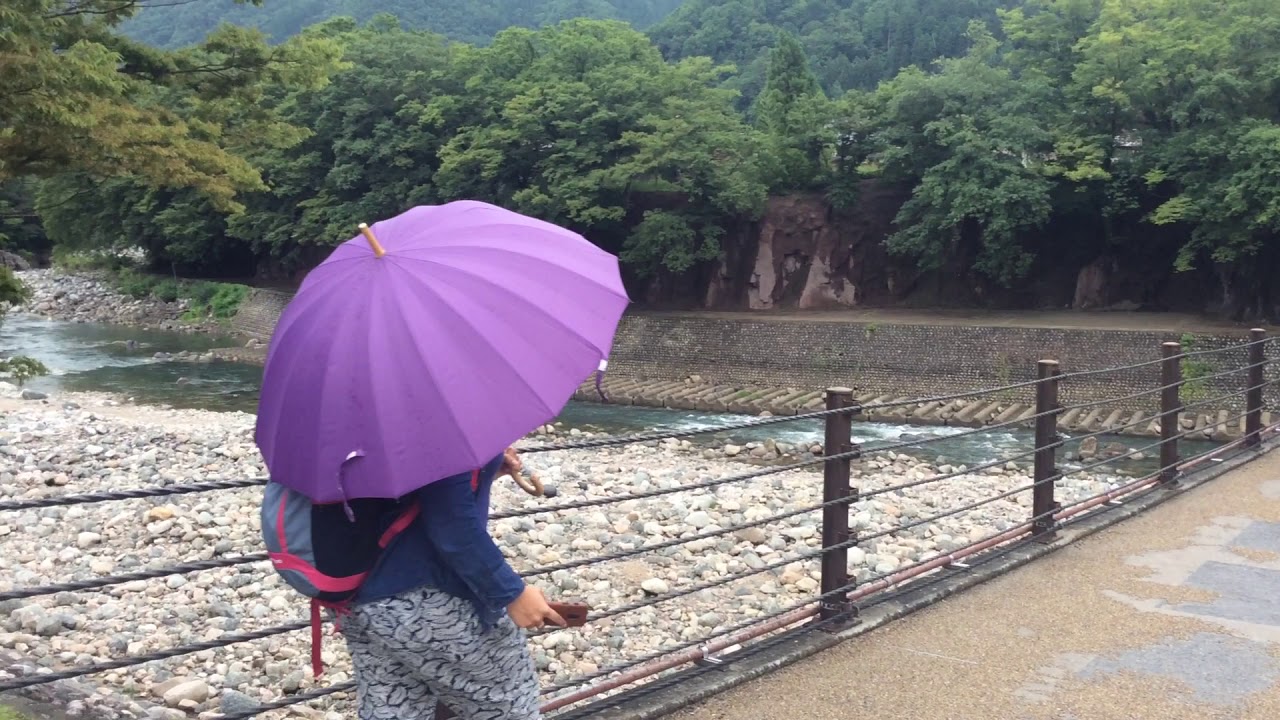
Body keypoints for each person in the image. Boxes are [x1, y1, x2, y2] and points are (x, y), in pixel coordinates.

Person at [341, 448, 564, 720]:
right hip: (427, 596)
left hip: (360, 595)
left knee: (394, 706)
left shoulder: (370, 417)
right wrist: (511, 592)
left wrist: (482, 469)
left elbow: (416, 490)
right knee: (508, 705)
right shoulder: (438, 423)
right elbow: (453, 526)